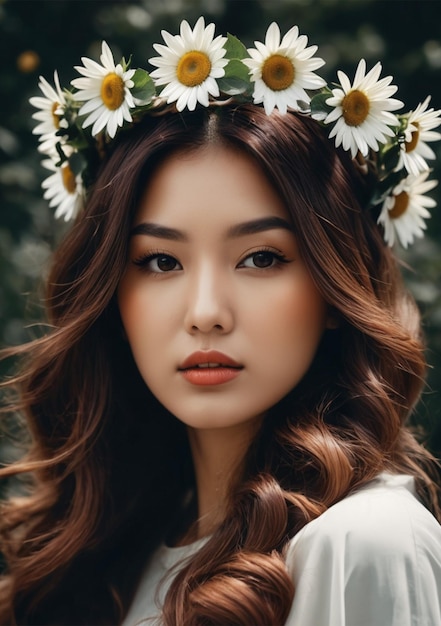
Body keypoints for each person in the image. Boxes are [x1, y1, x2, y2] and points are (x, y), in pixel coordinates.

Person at [0, 16, 441, 626]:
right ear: (109, 294)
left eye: (261, 258)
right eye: (160, 261)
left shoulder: (361, 543)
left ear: (338, 289)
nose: (206, 312)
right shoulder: (111, 553)